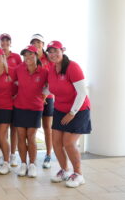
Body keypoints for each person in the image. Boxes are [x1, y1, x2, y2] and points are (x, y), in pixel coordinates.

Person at [47, 41, 91, 188]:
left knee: (69, 143)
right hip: (60, 109)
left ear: (63, 50)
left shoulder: (73, 67)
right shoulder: (52, 69)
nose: (53, 54)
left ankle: (78, 175)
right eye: (50, 52)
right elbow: (49, 88)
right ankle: (64, 171)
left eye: (56, 51)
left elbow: (82, 92)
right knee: (56, 143)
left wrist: (72, 113)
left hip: (78, 110)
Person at [13, 45, 48, 178]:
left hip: (35, 107)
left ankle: (32, 164)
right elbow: (12, 82)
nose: (27, 57)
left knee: (31, 136)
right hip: (20, 106)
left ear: (36, 55)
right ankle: (23, 164)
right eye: (25, 55)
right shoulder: (19, 69)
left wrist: (43, 96)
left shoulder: (44, 71)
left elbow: (50, 86)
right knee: (21, 136)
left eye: (30, 55)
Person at [30, 34, 54, 169]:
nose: (36, 44)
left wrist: (44, 96)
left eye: (38, 42)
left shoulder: (49, 59)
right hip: (33, 99)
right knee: (32, 129)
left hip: (48, 99)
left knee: (47, 128)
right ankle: (31, 158)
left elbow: (52, 79)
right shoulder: (30, 57)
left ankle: (48, 155)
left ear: (43, 44)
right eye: (33, 42)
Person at [0, 33, 22, 167]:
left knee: (13, 128)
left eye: (7, 40)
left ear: (10, 42)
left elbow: (21, 75)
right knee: (3, 129)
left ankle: (13, 154)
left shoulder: (17, 57)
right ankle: (5, 154)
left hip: (15, 97)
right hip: (2, 99)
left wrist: (18, 93)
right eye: (2, 41)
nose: (5, 43)